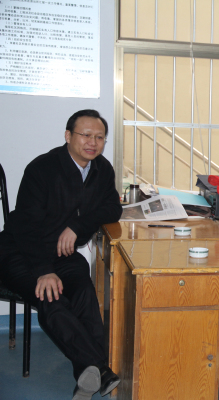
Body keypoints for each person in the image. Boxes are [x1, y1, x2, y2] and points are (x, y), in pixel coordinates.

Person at [0, 110, 123, 400]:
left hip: (62, 253)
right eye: (86, 135)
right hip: (22, 252)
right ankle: (100, 369)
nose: (92, 142)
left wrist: (77, 226)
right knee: (51, 295)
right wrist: (43, 269)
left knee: (83, 292)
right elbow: (26, 227)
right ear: (68, 136)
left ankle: (88, 371)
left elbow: (112, 207)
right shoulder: (42, 168)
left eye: (99, 137)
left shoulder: (102, 169)